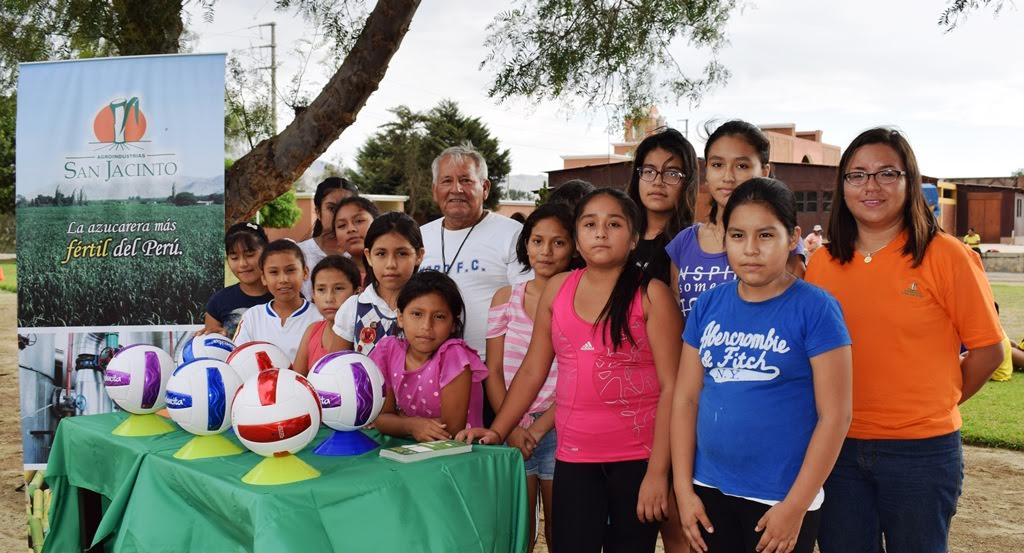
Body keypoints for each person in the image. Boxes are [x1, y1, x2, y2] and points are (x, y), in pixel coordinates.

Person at [805, 127, 1004, 552]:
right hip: (836, 450)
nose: (871, 185)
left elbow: (989, 350)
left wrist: (937, 403)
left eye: (887, 173)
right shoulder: (821, 264)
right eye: (857, 174)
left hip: (922, 453)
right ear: (843, 185)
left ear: (909, 181)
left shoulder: (947, 255)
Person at [459, 189, 682, 553]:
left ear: (634, 238)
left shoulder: (652, 295)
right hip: (575, 456)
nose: (601, 232)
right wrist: (499, 430)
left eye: (614, 224)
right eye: (590, 224)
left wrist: (658, 472)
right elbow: (533, 369)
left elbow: (673, 388)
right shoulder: (559, 289)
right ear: (578, 239)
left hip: (637, 460)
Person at [671, 177, 853, 553]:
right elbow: (686, 400)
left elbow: (836, 416)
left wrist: (795, 506)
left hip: (779, 499)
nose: (750, 249)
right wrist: (683, 491)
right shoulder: (708, 305)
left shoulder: (816, 308)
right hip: (708, 490)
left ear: (793, 238)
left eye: (766, 235)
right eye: (738, 236)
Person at [485, 203, 575, 552]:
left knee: (560, 529)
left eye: (558, 242)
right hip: (511, 427)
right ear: (526, 245)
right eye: (537, 241)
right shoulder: (506, 298)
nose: (546, 251)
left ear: (574, 247)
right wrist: (509, 427)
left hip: (559, 427)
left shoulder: (578, 301)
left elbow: (578, 376)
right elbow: (493, 370)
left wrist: (539, 428)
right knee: (519, 530)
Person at [667, 120, 807, 321]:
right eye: (717, 165)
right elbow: (677, 319)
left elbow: (794, 313)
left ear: (764, 172)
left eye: (742, 166)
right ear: (707, 171)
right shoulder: (684, 243)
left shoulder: (781, 241)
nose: (728, 177)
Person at [420, 144, 528, 358]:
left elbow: (526, 303)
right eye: (446, 181)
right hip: (428, 365)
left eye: (466, 180)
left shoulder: (513, 234)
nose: (456, 189)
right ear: (434, 190)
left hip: (492, 365)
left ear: (485, 188)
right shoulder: (418, 237)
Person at [369, 270, 489, 441]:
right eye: (417, 314)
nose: (426, 326)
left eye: (439, 317)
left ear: (453, 324)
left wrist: (401, 421)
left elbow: (450, 430)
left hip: (459, 452)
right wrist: (410, 425)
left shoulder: (453, 355)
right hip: (410, 449)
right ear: (400, 317)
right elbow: (381, 418)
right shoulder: (387, 351)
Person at [332, 212, 424, 356]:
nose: (391, 264)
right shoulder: (353, 308)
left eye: (402, 253)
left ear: (419, 255)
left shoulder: (430, 307)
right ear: (368, 256)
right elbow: (335, 365)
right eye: (381, 254)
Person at [627, 127, 698, 286]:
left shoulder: (694, 243)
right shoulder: (619, 236)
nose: (658, 182)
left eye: (672, 173)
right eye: (649, 171)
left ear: (688, 183)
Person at [233, 239, 325, 360]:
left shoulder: (321, 317)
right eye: (274, 272)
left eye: (290, 270)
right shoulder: (252, 317)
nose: (283, 279)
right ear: (263, 278)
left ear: (305, 272)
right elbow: (237, 359)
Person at [292, 255, 361, 376]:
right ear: (313, 294)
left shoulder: (366, 332)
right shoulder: (312, 331)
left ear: (357, 293)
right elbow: (296, 380)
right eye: (321, 289)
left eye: (338, 288)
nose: (329, 298)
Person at [203, 222, 273, 337]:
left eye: (250, 255)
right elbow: (211, 344)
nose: (242, 264)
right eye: (234, 257)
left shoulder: (286, 296)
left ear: (266, 252)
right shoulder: (218, 302)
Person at [298, 177, 358, 298]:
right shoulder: (299, 254)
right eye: (332, 208)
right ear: (318, 212)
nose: (339, 215)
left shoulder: (363, 255)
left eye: (346, 208)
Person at [332, 196, 380, 285]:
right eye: (342, 225)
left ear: (377, 223)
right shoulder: (332, 276)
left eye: (359, 221)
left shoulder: (393, 269)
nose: (351, 229)